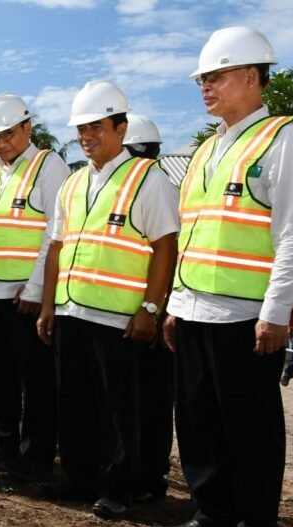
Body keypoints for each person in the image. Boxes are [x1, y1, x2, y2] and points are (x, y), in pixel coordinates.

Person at [151, 26, 293, 527]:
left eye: (215, 76)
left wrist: (275, 313)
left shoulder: (286, 139)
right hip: (197, 309)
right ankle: (213, 514)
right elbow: (195, 233)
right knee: (198, 420)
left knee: (249, 426)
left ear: (251, 76)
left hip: (247, 317)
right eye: (202, 78)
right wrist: (177, 304)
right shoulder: (205, 151)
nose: (205, 87)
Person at [36, 80, 179, 519]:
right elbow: (56, 247)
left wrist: (151, 309)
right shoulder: (73, 183)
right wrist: (47, 306)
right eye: (80, 128)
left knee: (120, 409)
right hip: (71, 309)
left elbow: (165, 247)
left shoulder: (147, 179)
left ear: (120, 127)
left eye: (95, 126)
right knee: (74, 401)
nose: (86, 136)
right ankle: (78, 477)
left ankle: (120, 487)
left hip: (119, 318)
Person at [0, 93, 70, 480]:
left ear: (28, 128)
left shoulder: (49, 167)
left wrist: (36, 287)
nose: (1, 143)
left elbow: (53, 234)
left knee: (36, 378)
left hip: (22, 295)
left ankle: (36, 453)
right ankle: (1, 442)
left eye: (8, 133)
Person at [123, 113, 175, 503]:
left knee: (147, 401)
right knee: (149, 400)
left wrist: (153, 310)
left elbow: (167, 255)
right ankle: (146, 475)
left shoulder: (151, 189)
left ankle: (148, 478)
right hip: (147, 310)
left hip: (148, 313)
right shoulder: (166, 187)